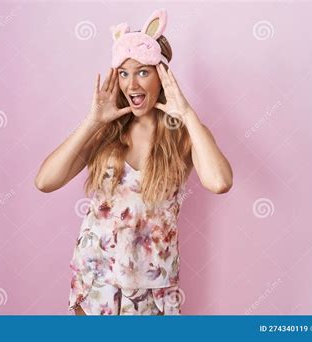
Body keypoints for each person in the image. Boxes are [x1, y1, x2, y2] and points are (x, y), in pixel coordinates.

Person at [34, 8, 233, 315]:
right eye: (124, 73)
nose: (132, 84)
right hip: (97, 281)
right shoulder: (106, 130)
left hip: (154, 288)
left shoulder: (182, 134)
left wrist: (188, 114)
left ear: (162, 75)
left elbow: (219, 182)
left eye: (143, 72)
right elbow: (45, 181)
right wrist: (91, 122)